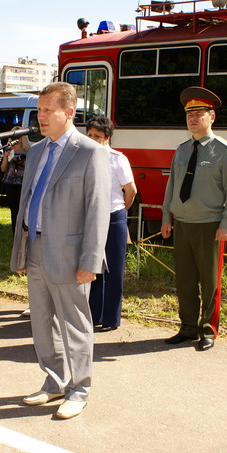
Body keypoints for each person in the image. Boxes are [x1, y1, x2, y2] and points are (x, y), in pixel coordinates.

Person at [10, 82, 111, 420]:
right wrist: (22, 251)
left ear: (68, 113)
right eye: (39, 110)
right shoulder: (37, 150)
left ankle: (79, 389)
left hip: (70, 254)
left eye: (47, 110)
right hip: (36, 246)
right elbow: (27, 202)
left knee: (75, 324)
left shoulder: (89, 152)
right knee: (41, 321)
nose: (40, 116)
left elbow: (97, 211)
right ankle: (54, 380)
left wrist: (90, 261)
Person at [161, 87, 227, 352]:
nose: (193, 119)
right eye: (189, 115)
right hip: (182, 224)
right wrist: (166, 216)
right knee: (184, 281)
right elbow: (172, 186)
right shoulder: (182, 149)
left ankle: (208, 330)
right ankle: (187, 328)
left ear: (212, 117)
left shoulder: (223, 151)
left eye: (199, 114)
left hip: (209, 226)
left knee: (210, 283)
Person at [85, 116, 137, 333]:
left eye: (97, 136)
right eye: (89, 136)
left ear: (107, 138)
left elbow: (131, 190)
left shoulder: (117, 159)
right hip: (90, 218)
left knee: (114, 269)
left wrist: (121, 212)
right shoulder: (84, 157)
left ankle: (111, 318)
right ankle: (92, 314)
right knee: (92, 267)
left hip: (114, 216)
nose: (93, 140)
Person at [0, 128, 28, 233]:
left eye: (19, 136)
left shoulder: (27, 150)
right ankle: (14, 232)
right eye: (15, 137)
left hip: (22, 182)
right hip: (10, 182)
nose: (18, 139)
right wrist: (6, 157)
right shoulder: (8, 149)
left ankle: (23, 230)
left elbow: (30, 167)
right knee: (13, 209)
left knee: (23, 209)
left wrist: (22, 161)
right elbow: (2, 169)